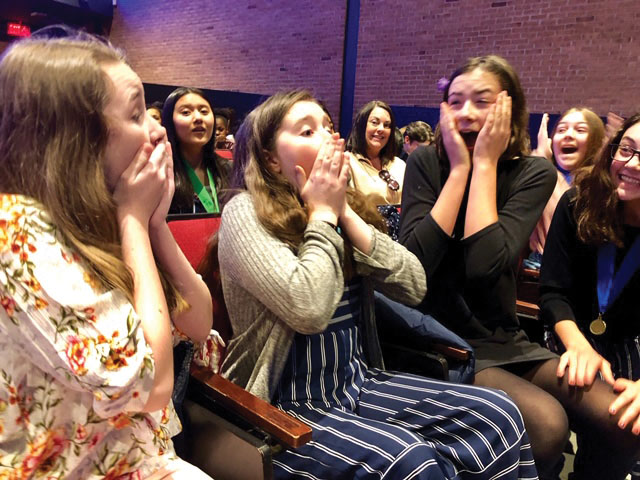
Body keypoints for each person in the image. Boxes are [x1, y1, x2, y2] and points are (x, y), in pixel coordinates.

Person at [212, 89, 539, 479]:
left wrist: (345, 212)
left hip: (357, 381)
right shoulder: (244, 212)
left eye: (330, 127)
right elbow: (308, 308)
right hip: (283, 403)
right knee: (409, 461)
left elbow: (414, 283)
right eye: (307, 130)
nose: (331, 138)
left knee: (498, 414)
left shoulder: (343, 209)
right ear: (270, 159)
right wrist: (321, 217)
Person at [400, 54, 640, 478]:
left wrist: (487, 165)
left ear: (510, 111)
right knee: (548, 426)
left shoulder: (533, 172)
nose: (467, 113)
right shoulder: (425, 163)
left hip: (501, 337)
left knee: (621, 422)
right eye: (455, 101)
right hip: (435, 336)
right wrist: (462, 171)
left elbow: (484, 265)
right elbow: (414, 267)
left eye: (482, 101)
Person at [0, 32, 213, 478]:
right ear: (75, 138)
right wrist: (134, 220)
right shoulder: (15, 225)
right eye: (137, 114)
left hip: (133, 454)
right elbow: (153, 385)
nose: (158, 129)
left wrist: (153, 225)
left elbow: (198, 322)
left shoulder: (102, 213)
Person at [540, 113, 640, 479]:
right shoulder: (576, 204)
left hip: (628, 345)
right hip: (568, 336)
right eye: (625, 150)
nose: (631, 165)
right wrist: (578, 345)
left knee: (628, 424)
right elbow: (552, 292)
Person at [527, 108, 605, 263]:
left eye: (580, 129)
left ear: (595, 141)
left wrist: (542, 162)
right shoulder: (551, 175)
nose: (568, 135)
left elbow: (560, 234)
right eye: (561, 129)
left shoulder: (598, 185)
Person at [162, 87, 231, 214]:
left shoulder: (229, 170)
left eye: (204, 111)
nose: (198, 118)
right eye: (186, 112)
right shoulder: (160, 173)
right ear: (169, 121)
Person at [346, 100, 405, 205]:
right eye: (374, 122)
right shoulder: (348, 163)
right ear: (362, 126)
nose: (381, 129)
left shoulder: (399, 165)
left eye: (387, 125)